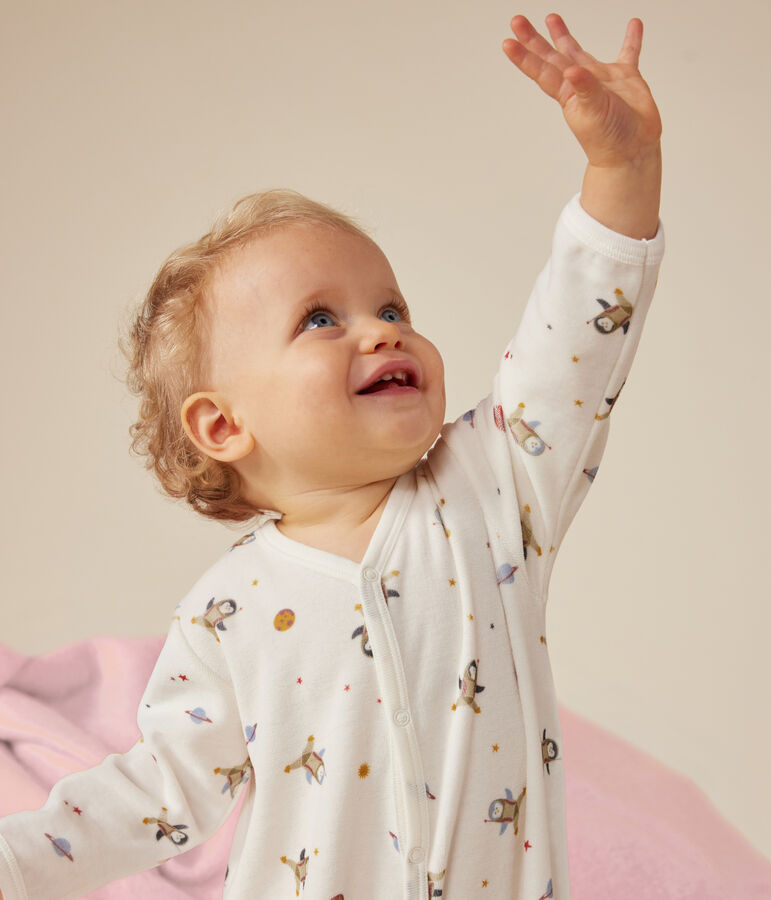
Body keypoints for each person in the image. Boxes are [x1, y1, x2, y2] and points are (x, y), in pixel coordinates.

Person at [0, 12, 664, 900]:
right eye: (320, 318)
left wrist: (621, 171)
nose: (380, 331)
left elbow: (572, 351)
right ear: (225, 427)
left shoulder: (490, 490)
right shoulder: (227, 612)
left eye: (390, 308)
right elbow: (160, 794)